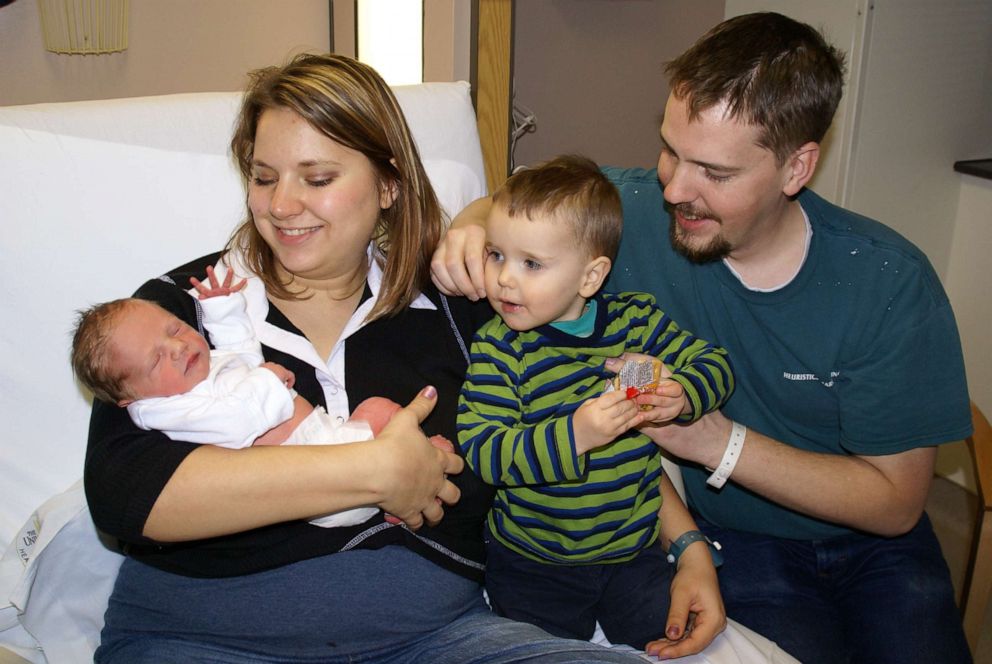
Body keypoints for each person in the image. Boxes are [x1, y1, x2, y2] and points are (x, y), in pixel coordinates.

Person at [82, 52, 694, 663]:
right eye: (264, 177)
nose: (280, 205)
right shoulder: (183, 314)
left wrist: (688, 547)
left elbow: (596, 417)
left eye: (317, 179)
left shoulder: (467, 306)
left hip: (436, 639)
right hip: (202, 638)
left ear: (388, 184)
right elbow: (122, 492)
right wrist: (376, 472)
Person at [431, 12, 973, 664]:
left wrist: (715, 440)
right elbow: (523, 210)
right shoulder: (633, 216)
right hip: (738, 537)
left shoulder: (888, 283)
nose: (673, 186)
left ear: (796, 167)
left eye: (713, 172)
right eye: (669, 149)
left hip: (881, 551)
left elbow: (895, 505)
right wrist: (468, 222)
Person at [457, 155, 732, 653]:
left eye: (531, 264)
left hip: (634, 551)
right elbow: (484, 451)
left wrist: (682, 393)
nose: (503, 280)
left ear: (591, 277)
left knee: (673, 636)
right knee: (541, 652)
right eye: (496, 255)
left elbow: (715, 363)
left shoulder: (636, 323)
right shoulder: (499, 348)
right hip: (533, 561)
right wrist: (576, 435)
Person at [71, 268, 426, 527]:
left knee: (379, 409)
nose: (178, 348)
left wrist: (223, 311)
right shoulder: (167, 411)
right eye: (156, 359)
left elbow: (242, 355)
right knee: (383, 415)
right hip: (321, 482)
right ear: (129, 399)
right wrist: (269, 382)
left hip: (331, 440)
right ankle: (421, 465)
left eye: (175, 328)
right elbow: (236, 424)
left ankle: (404, 490)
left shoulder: (196, 375)